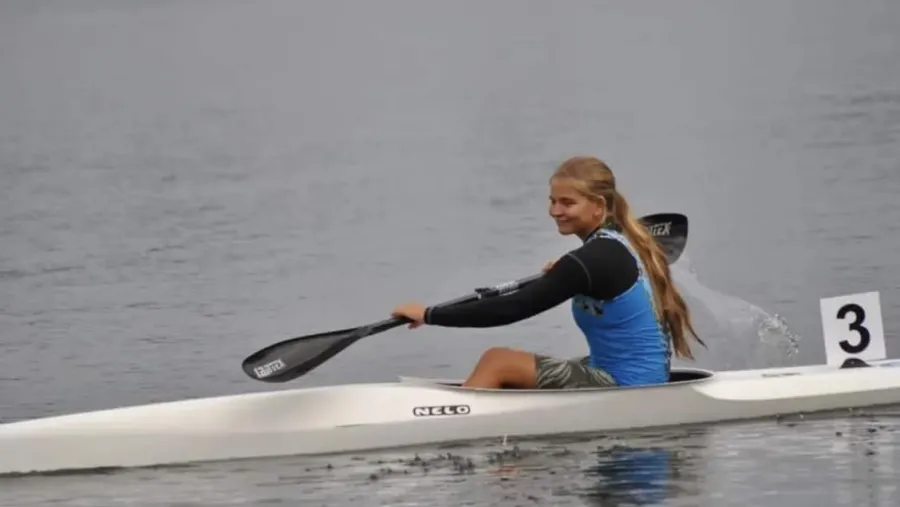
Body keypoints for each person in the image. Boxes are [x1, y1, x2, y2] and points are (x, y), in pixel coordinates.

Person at [390, 156, 704, 389]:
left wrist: (430, 314)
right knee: (521, 367)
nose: (554, 211)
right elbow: (602, 280)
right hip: (641, 376)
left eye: (567, 202)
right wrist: (569, 275)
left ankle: (458, 432)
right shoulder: (619, 244)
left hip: (627, 386)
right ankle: (509, 463)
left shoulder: (592, 259)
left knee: (497, 361)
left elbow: (513, 308)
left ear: (597, 205)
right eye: (552, 200)